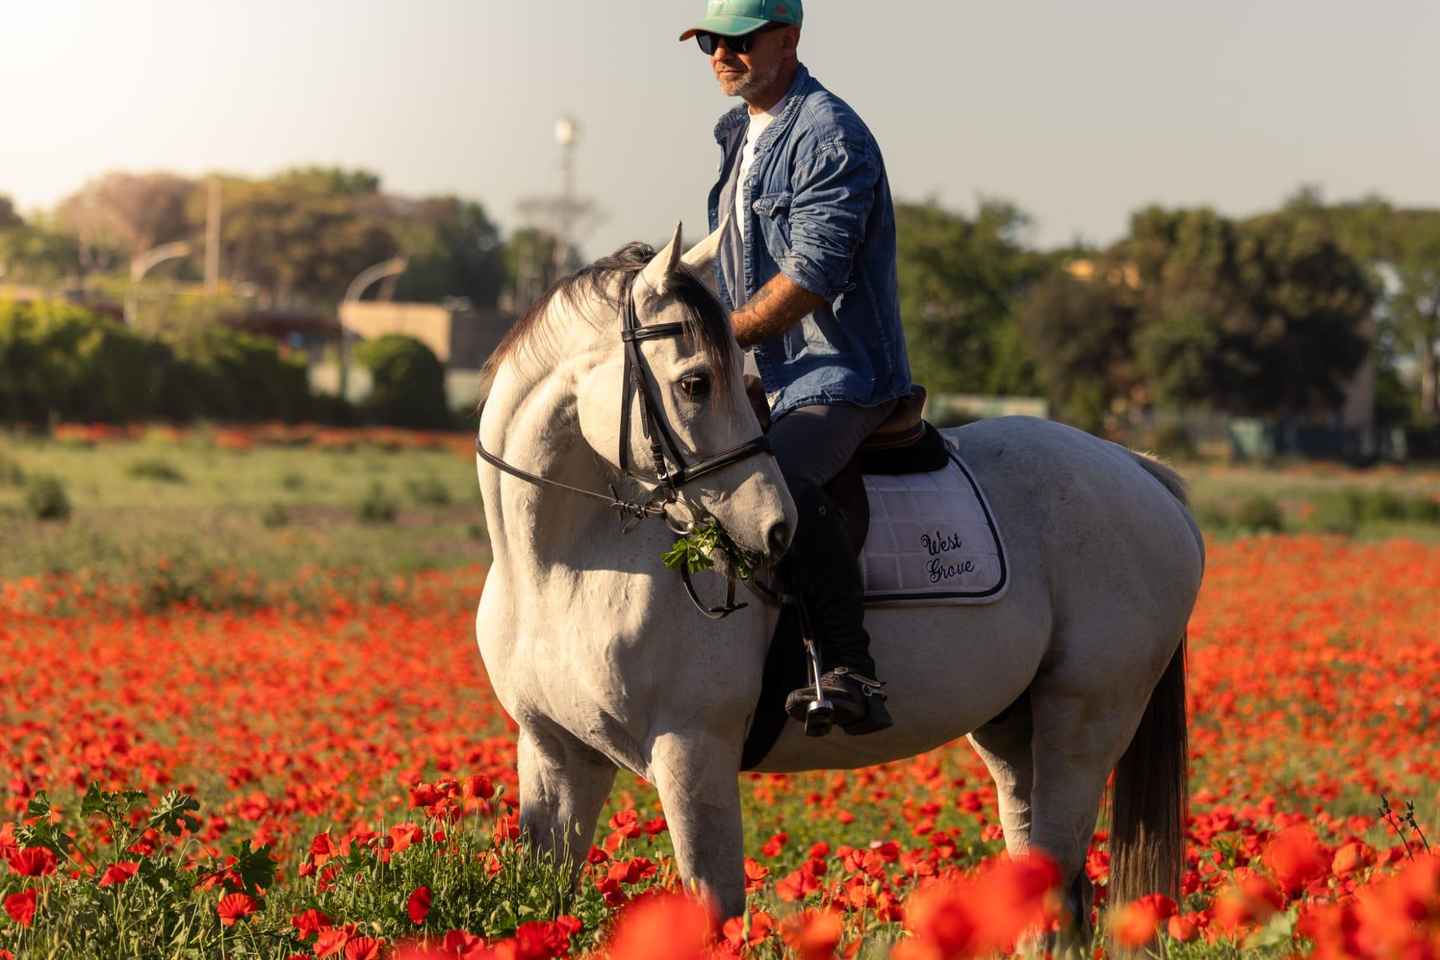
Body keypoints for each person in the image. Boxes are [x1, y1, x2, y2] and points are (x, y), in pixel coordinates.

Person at [680, 0, 913, 734]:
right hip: (772, 377)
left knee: (772, 480)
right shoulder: (737, 134)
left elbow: (813, 271)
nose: (723, 53)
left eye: (741, 41)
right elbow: (733, 265)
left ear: (789, 40)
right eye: (711, 40)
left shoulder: (829, 134)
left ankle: (849, 667)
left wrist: (722, 338)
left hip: (840, 377)